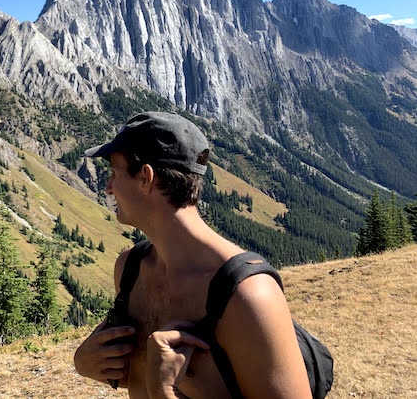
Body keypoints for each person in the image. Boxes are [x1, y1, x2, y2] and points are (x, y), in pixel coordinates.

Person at [73, 112, 311, 399]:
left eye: (115, 172)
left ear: (146, 178)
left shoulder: (247, 295)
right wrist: (85, 363)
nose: (108, 187)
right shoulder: (129, 269)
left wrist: (164, 391)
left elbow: (162, 383)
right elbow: (139, 374)